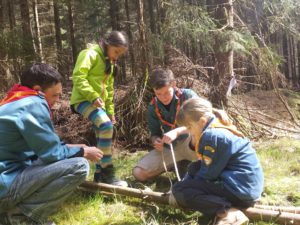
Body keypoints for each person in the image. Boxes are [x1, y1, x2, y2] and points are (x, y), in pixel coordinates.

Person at [0, 63, 103, 225]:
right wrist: (84, 153)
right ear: (38, 90)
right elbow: (52, 154)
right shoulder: (33, 103)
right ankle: (20, 217)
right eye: (55, 95)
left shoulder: (14, 100)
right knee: (79, 166)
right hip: (5, 186)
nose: (57, 101)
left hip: (6, 178)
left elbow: (42, 149)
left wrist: (79, 148)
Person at [163, 98, 264, 225]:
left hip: (241, 191)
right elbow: (203, 167)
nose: (189, 131)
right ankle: (224, 205)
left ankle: (228, 211)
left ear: (201, 121)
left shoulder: (212, 136)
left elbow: (208, 175)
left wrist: (182, 190)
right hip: (246, 185)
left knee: (180, 190)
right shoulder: (217, 124)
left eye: (189, 127)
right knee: (193, 168)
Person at [132, 68, 229, 182]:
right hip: (171, 147)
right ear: (153, 90)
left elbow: (203, 122)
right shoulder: (153, 107)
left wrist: (177, 131)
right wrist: (156, 141)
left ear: (173, 84)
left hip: (192, 143)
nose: (163, 97)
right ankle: (178, 165)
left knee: (198, 135)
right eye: (158, 94)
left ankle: (197, 167)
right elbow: (154, 133)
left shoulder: (187, 95)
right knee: (138, 173)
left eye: (167, 92)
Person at [70, 31, 128, 186]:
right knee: (106, 126)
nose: (117, 56)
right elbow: (78, 77)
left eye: (120, 54)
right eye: (116, 51)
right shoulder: (89, 54)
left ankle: (99, 175)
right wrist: (92, 96)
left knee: (103, 130)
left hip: (97, 103)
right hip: (82, 100)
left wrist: (110, 112)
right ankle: (108, 172)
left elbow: (109, 89)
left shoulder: (110, 63)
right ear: (107, 45)